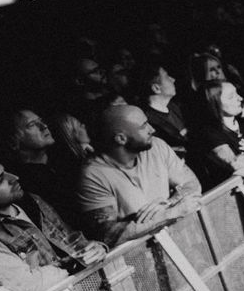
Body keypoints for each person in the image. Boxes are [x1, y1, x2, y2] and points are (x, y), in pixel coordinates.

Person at [0, 156, 108, 291]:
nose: (14, 177)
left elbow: (73, 241)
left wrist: (96, 249)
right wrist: (75, 263)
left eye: (6, 171)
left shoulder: (32, 201)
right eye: (0, 180)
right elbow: (28, 288)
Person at [77, 105, 203, 246]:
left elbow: (191, 183)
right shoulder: (93, 174)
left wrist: (168, 203)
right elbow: (107, 234)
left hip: (178, 238)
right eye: (143, 126)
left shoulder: (156, 146)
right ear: (121, 139)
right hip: (140, 253)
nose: (152, 129)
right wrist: (170, 213)